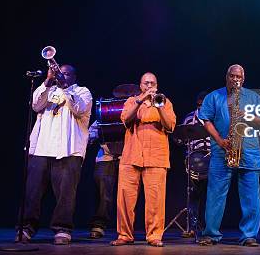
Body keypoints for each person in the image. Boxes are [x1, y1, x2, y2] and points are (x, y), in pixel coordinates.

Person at [16, 64, 93, 245]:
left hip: (69, 149)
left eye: (65, 74)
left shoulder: (83, 92)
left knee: (66, 194)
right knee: (32, 192)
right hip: (42, 147)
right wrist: (48, 81)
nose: (61, 76)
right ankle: (26, 228)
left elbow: (79, 108)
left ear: (74, 77)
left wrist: (65, 88)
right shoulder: (49, 89)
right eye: (59, 72)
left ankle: (62, 229)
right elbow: (35, 105)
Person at [197, 64, 260, 247]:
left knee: (251, 196)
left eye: (239, 77)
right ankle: (211, 234)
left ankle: (249, 235)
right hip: (222, 150)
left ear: (244, 78)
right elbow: (205, 119)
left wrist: (247, 115)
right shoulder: (214, 96)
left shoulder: (253, 97)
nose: (236, 79)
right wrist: (219, 140)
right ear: (226, 76)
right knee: (215, 194)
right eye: (232, 76)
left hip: (249, 150)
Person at [111, 72, 176, 247]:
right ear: (140, 85)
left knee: (155, 200)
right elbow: (126, 120)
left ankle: (154, 236)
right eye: (146, 83)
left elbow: (170, 125)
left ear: (157, 85)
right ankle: (125, 235)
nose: (149, 86)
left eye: (152, 83)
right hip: (131, 155)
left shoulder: (165, 102)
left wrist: (159, 105)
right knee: (125, 199)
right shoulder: (132, 101)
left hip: (156, 157)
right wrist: (141, 100)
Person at [87, 119, 124, 239]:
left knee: (128, 195)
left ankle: (126, 227)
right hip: (105, 156)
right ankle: (99, 224)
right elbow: (91, 133)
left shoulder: (134, 107)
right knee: (103, 193)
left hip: (128, 155)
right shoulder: (106, 110)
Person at [181, 91, 210, 236]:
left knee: (210, 194)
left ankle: (208, 227)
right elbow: (182, 139)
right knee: (194, 194)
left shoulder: (215, 118)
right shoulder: (189, 119)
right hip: (194, 159)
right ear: (198, 103)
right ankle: (192, 227)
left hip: (212, 158)